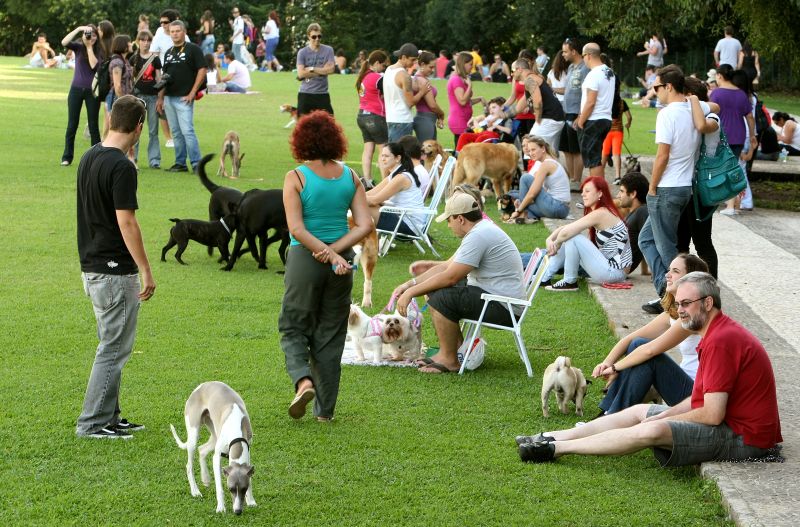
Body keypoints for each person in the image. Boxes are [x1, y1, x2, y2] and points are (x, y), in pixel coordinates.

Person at [518, 272, 782, 467]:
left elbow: (712, 415)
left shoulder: (721, 341)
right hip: (731, 424)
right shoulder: (717, 333)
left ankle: (555, 449)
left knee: (651, 430)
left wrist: (662, 420)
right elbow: (699, 399)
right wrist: (659, 415)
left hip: (747, 439)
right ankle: (548, 436)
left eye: (686, 304)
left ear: (708, 303)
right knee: (639, 412)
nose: (680, 311)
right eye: (678, 304)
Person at [279, 110, 372, 421]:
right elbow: (364, 224)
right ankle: (325, 412)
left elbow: (297, 229)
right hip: (342, 263)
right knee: (331, 335)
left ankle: (303, 381)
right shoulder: (350, 177)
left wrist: (326, 253)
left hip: (306, 259)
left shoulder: (297, 177)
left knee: (293, 326)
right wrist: (336, 253)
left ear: (301, 141)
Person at [75, 95, 155, 439]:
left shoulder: (90, 155)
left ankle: (110, 416)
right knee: (113, 348)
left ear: (109, 119)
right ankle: (92, 422)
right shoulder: (121, 166)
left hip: (91, 265)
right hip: (113, 270)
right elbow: (127, 223)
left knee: (112, 343)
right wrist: (146, 269)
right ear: (139, 127)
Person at [391, 193, 525, 374]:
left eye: (449, 220)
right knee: (436, 291)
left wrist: (410, 293)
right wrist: (409, 285)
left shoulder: (478, 235)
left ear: (460, 219)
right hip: (498, 299)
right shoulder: (480, 230)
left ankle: (449, 359)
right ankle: (456, 351)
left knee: (442, 297)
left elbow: (450, 277)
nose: (448, 225)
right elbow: (447, 267)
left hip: (504, 307)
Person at [593, 254, 709, 415]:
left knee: (645, 352)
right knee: (636, 343)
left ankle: (610, 416)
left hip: (697, 398)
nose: (667, 275)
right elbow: (630, 339)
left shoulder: (695, 315)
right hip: (683, 386)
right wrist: (607, 363)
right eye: (669, 270)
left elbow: (650, 350)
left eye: (675, 271)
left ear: (690, 279)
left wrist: (616, 367)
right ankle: (607, 412)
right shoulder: (673, 314)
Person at [638, 65, 697, 306]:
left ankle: (679, 299)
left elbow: (662, 155)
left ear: (668, 87)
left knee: (666, 249)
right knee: (646, 239)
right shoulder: (694, 110)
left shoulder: (668, 114)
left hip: (667, 187)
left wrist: (652, 187)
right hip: (684, 187)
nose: (655, 92)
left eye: (656, 87)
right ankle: (666, 293)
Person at [540, 176, 631, 291]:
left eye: (587, 191)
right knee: (571, 235)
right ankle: (544, 278)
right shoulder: (602, 211)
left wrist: (556, 243)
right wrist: (549, 239)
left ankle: (569, 281)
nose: (583, 194)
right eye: (583, 191)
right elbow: (567, 227)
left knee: (573, 237)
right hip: (611, 270)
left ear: (599, 194)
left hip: (615, 273)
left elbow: (567, 232)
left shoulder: (601, 213)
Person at [157, 20, 206, 173]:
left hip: (184, 97)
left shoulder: (193, 49)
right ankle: (180, 163)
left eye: (178, 31)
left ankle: (197, 164)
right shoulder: (169, 52)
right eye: (172, 31)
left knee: (187, 131)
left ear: (184, 32)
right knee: (176, 133)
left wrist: (192, 92)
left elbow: (202, 70)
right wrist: (160, 98)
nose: (175, 34)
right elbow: (165, 77)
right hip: (169, 98)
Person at [710, 65, 757, 216]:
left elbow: (710, 113)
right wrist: (752, 135)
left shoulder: (716, 93)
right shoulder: (741, 94)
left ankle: (730, 204)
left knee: (723, 169)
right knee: (732, 167)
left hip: (721, 135)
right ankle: (733, 202)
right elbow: (749, 116)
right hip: (738, 135)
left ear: (720, 76)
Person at [61, 25, 101, 166]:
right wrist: (78, 29)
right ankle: (67, 157)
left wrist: (89, 46)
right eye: (89, 34)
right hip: (76, 89)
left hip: (92, 91)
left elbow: (93, 65)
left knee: (93, 125)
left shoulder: (99, 50)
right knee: (72, 124)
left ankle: (95, 157)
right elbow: (64, 42)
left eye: (94, 35)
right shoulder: (78, 47)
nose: (91, 37)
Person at [507, 135, 571, 223]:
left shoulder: (546, 164)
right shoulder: (548, 163)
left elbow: (532, 194)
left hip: (557, 206)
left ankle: (523, 214)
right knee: (520, 198)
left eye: (533, 150)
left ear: (543, 149)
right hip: (562, 209)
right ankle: (530, 216)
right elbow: (539, 192)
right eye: (529, 151)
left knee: (525, 178)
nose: (530, 153)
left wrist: (518, 210)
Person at [574, 43, 615, 178]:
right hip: (605, 118)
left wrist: (581, 121)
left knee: (593, 161)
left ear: (589, 55)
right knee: (596, 158)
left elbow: (591, 102)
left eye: (583, 56)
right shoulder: (609, 72)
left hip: (593, 119)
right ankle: (598, 194)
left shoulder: (593, 74)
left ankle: (597, 195)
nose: (583, 59)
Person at [365, 143, 425, 233]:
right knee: (362, 205)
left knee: (362, 208)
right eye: (382, 156)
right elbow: (370, 193)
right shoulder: (395, 175)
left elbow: (375, 200)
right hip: (403, 217)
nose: (382, 159)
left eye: (386, 156)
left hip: (410, 225)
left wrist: (349, 200)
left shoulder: (401, 177)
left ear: (397, 158)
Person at [355, 49, 389, 186]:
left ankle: (367, 181)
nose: (384, 68)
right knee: (383, 150)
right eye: (383, 65)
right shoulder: (377, 78)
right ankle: (385, 183)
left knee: (368, 150)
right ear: (376, 63)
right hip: (375, 117)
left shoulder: (362, 77)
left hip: (361, 115)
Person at [150, 9, 182, 149]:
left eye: (166, 22)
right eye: (161, 22)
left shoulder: (182, 35)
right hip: (164, 75)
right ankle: (168, 138)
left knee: (179, 107)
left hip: (180, 76)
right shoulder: (159, 34)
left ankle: (179, 137)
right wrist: (158, 74)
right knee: (161, 106)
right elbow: (153, 55)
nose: (163, 25)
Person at [131, 30, 162, 170]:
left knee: (153, 130)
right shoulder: (133, 58)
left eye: (148, 40)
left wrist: (160, 98)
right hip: (138, 97)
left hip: (152, 97)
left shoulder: (155, 59)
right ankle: (133, 157)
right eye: (143, 40)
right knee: (135, 129)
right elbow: (131, 79)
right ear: (138, 42)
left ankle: (154, 160)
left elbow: (159, 79)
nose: (146, 43)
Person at [560, 38, 589, 184]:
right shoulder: (571, 67)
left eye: (565, 51)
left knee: (577, 149)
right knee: (566, 148)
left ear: (574, 51)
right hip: (566, 112)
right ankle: (571, 179)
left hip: (577, 114)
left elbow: (588, 93)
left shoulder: (586, 68)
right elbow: (568, 89)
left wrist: (581, 115)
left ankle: (577, 180)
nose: (563, 54)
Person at [384, 43, 424, 142]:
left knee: (393, 153)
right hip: (402, 120)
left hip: (390, 118)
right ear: (403, 57)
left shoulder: (389, 70)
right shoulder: (404, 75)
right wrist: (422, 92)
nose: (414, 63)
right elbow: (410, 102)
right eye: (412, 59)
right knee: (401, 155)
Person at [447, 51, 486, 147]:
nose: (472, 67)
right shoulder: (456, 79)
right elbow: (462, 101)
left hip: (464, 119)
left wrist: (480, 99)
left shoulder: (461, 78)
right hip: (459, 120)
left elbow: (468, 101)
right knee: (462, 150)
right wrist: (470, 86)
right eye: (470, 64)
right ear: (463, 64)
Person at [296, 23, 335, 116]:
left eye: (319, 36)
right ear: (308, 36)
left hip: (322, 94)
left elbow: (331, 70)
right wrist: (323, 71)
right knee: (304, 126)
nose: (317, 39)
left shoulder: (328, 50)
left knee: (330, 123)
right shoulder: (302, 52)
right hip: (305, 94)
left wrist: (311, 69)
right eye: (314, 36)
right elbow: (301, 74)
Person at [616, 172, 650, 274]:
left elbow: (649, 241)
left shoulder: (642, 211)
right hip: (610, 262)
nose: (618, 195)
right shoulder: (635, 213)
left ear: (633, 194)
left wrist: (655, 271)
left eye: (621, 191)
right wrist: (644, 271)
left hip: (615, 268)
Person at [413, 51, 446, 142]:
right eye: (430, 67)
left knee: (431, 152)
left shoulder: (421, 78)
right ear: (422, 64)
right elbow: (432, 105)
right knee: (427, 152)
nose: (433, 70)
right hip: (425, 120)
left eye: (434, 67)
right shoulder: (422, 80)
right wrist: (442, 114)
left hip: (427, 119)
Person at [601, 96, 632, 184]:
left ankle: (600, 176)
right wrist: (628, 124)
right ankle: (617, 176)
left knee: (604, 153)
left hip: (607, 131)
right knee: (616, 154)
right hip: (618, 131)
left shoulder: (606, 100)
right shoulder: (622, 102)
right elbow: (629, 117)